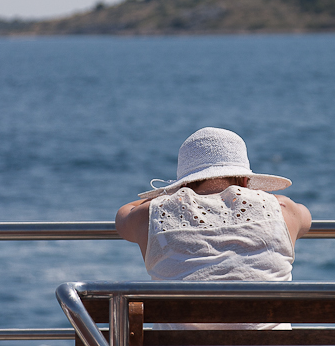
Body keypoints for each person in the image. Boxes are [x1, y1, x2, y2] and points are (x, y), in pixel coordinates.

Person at [115, 127, 311, 329]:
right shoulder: (283, 210)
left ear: (183, 186)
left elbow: (123, 215)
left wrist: (166, 197)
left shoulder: (150, 215)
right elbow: (306, 217)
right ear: (245, 180)